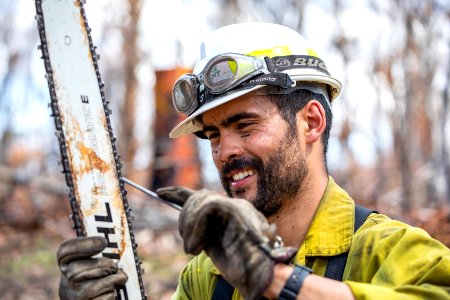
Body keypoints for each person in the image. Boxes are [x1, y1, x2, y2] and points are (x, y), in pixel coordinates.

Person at [57, 22, 450, 300]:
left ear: (311, 121)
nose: (225, 151)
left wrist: (272, 279)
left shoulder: (391, 251)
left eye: (244, 125)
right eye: (213, 134)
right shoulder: (207, 276)